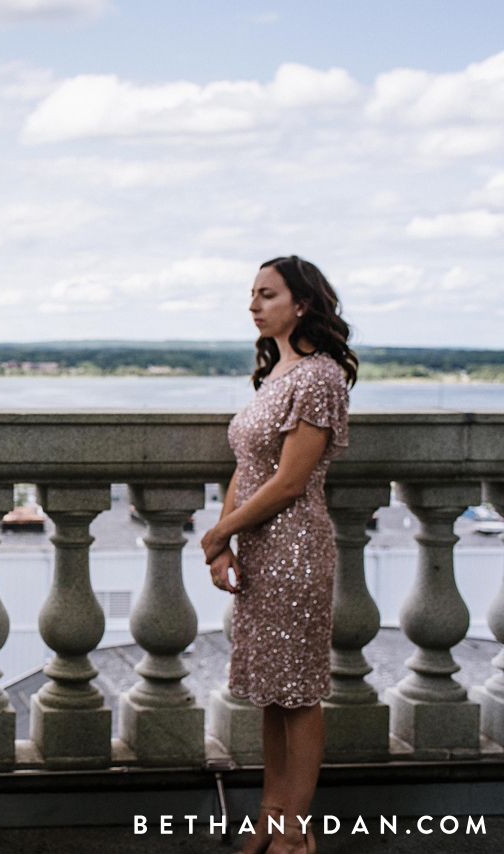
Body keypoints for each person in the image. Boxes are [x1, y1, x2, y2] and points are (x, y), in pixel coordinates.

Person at [200, 256, 355, 854]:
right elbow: (248, 468)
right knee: (270, 690)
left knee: (299, 695)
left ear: (303, 303)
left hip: (296, 548)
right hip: (261, 548)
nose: (253, 305)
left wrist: (219, 535)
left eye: (266, 294)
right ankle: (269, 816)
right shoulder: (276, 376)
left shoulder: (319, 377)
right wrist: (225, 539)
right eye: (252, 294)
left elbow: (290, 481)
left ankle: (296, 834)